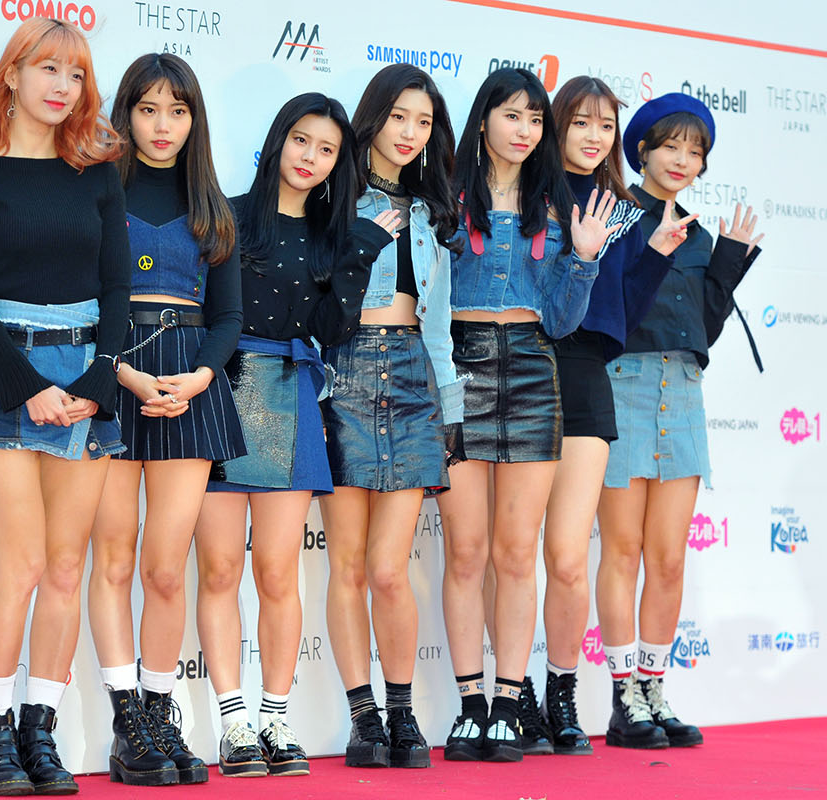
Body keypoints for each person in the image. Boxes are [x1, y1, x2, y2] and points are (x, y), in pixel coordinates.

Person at [0, 17, 127, 795]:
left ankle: (38, 732)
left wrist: (97, 380)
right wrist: (28, 385)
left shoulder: (98, 178)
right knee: (17, 564)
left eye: (76, 75)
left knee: (66, 565)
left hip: (86, 378)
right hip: (5, 375)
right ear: (12, 76)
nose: (62, 86)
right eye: (47, 68)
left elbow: (117, 289)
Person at [192, 92, 399, 778]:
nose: (310, 157)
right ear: (278, 139)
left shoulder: (337, 237)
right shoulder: (224, 215)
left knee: (278, 571)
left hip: (292, 390)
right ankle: (233, 723)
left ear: (340, 163)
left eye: (327, 149)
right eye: (301, 140)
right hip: (221, 391)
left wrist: (360, 255)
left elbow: (334, 330)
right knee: (220, 569)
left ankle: (276, 718)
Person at [437, 68, 618, 763]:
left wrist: (584, 258)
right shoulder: (447, 196)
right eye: (512, 115)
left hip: (535, 371)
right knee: (467, 552)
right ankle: (470, 706)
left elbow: (564, 321)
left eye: (535, 119)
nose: (524, 130)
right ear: (483, 119)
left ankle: (510, 705)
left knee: (516, 554)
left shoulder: (555, 205)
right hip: (459, 367)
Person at [515, 75, 689, 756]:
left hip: (586, 374)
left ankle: (561, 694)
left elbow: (620, 314)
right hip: (519, 366)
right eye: (581, 122)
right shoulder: (526, 193)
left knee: (566, 557)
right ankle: (510, 694)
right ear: (555, 125)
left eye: (606, 126)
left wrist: (654, 260)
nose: (594, 137)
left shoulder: (619, 207)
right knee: (509, 553)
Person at [86, 53, 244, 788]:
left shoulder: (213, 205)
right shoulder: (97, 191)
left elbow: (228, 315)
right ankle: (127, 724)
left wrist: (201, 376)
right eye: (148, 109)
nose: (162, 125)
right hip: (113, 375)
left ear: (194, 120)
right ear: (125, 113)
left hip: (190, 380)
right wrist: (121, 372)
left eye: (177, 111)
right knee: (114, 560)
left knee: (165, 569)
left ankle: (159, 711)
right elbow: (85, 298)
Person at [599, 92, 763, 750]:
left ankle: (654, 688)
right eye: (671, 146)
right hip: (625, 384)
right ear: (641, 150)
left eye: (695, 152)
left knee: (667, 560)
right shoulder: (614, 215)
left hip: (684, 391)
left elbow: (704, 329)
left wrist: (728, 264)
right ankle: (623, 697)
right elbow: (612, 309)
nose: (682, 160)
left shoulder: (698, 235)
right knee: (622, 549)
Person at [319, 63, 461, 770]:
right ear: (373, 117)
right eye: (399, 116)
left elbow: (437, 325)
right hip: (342, 372)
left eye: (424, 121)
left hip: (411, 376)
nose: (410, 132)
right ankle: (363, 718)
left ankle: (402, 713)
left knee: (388, 569)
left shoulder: (434, 212)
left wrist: (449, 410)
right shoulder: (332, 196)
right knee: (346, 565)